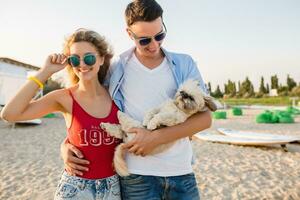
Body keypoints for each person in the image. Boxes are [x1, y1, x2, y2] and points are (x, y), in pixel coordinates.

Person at [61, 0, 212, 199]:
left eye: (160, 35)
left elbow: (205, 119)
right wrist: (66, 144)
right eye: (144, 40)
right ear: (129, 34)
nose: (154, 45)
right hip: (135, 176)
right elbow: (92, 107)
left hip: (181, 172)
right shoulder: (116, 68)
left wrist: (154, 138)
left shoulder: (184, 63)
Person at [1, 29, 121, 200]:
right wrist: (45, 72)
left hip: (113, 188)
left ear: (102, 58)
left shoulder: (117, 95)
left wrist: (64, 146)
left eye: (88, 57)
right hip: (75, 189)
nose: (82, 64)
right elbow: (9, 114)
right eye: (74, 59)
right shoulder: (64, 97)